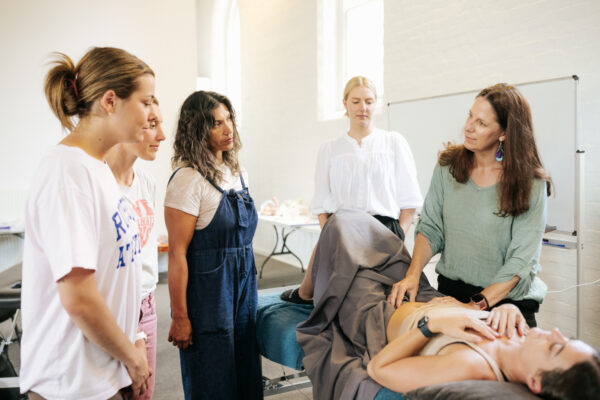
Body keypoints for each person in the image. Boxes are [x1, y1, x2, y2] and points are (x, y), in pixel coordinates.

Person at [21, 47, 156, 400]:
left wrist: (135, 339)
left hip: (106, 370)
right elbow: (79, 299)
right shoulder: (66, 171)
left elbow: (117, 272)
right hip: (71, 382)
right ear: (110, 101)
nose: (151, 115)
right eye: (145, 102)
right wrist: (133, 358)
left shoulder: (98, 169)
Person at [388, 83, 551, 328]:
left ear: (504, 133)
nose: (468, 127)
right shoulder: (448, 167)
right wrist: (413, 275)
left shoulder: (530, 183)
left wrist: (475, 306)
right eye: (470, 116)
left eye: (481, 123)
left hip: (506, 305)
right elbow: (431, 228)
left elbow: (521, 261)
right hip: (451, 294)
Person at [281, 76, 422, 304]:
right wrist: (332, 241)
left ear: (375, 104)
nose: (362, 108)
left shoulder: (393, 143)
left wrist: (398, 239)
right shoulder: (330, 149)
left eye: (368, 101)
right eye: (356, 101)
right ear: (345, 103)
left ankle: (307, 291)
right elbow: (322, 205)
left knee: (380, 298)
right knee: (344, 299)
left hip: (384, 232)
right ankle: (306, 292)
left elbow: (409, 202)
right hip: (343, 232)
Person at [165, 91, 262, 399]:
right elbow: (177, 255)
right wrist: (180, 316)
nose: (228, 128)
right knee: (213, 381)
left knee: (246, 374)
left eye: (229, 119)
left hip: (244, 289)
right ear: (197, 130)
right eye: (217, 123)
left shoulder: (239, 175)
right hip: (209, 297)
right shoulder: (187, 180)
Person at [368, 299, 600, 400]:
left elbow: (378, 369)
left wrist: (430, 325)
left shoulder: (471, 365)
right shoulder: (524, 339)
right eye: (567, 338)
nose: (556, 332)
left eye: (555, 348)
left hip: (381, 310)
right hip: (424, 296)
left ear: (534, 382)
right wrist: (507, 307)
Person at [105, 99, 166, 400]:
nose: (162, 136)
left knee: (142, 393)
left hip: (147, 303)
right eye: (152, 125)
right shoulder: (99, 183)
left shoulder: (146, 182)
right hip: (113, 307)